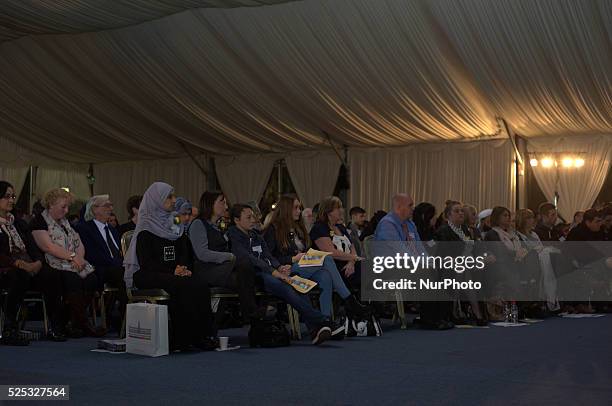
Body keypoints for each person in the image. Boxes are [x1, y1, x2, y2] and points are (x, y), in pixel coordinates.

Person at [123, 182, 217, 351]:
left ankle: (204, 335)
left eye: (174, 196)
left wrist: (184, 268)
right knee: (181, 285)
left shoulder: (174, 222)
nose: (174, 200)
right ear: (156, 200)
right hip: (148, 273)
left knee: (200, 284)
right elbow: (146, 262)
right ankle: (184, 339)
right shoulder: (145, 226)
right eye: (169, 197)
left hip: (174, 272)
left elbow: (184, 252)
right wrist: (173, 271)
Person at [228, 204, 331, 345]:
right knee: (287, 287)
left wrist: (279, 267)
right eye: (248, 217)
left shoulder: (255, 235)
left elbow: (268, 255)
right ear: (236, 220)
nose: (253, 219)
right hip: (255, 275)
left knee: (299, 285)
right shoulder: (233, 235)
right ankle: (321, 320)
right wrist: (274, 272)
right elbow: (248, 259)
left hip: (271, 271)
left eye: (253, 216)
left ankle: (316, 330)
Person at [263, 195, 365, 323]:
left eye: (299, 208)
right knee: (327, 258)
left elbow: (306, 249)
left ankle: (325, 320)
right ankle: (349, 299)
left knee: (325, 276)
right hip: (288, 268)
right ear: (286, 209)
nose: (299, 211)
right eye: (296, 208)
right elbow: (269, 257)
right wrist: (292, 259)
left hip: (304, 264)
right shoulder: (273, 229)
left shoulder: (298, 228)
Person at [31, 188, 103, 337]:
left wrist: (79, 259)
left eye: (68, 207)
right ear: (51, 205)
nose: (66, 210)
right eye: (63, 207)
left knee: (92, 279)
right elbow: (48, 247)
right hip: (52, 264)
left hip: (72, 262)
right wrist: (73, 257)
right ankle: (82, 323)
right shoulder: (39, 221)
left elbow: (79, 243)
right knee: (73, 279)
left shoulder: (65, 222)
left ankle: (74, 321)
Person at [0, 181, 66, 344]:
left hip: (27, 266)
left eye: (13, 196)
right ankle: (10, 329)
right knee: (19, 276)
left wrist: (37, 261)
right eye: (7, 196)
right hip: (6, 268)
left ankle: (55, 326)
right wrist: (17, 264)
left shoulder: (18, 222)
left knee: (51, 274)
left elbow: (32, 246)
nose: (11, 200)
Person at [188, 191, 261, 324]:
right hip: (207, 270)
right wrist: (229, 257)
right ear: (210, 204)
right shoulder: (198, 224)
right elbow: (202, 254)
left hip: (223, 269)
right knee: (246, 271)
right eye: (222, 202)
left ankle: (252, 316)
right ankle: (253, 316)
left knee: (248, 270)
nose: (226, 206)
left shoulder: (218, 226)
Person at [75, 195, 128, 330]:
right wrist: (119, 264)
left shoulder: (112, 230)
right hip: (99, 268)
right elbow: (93, 255)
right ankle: (125, 319)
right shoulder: (84, 228)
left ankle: (128, 317)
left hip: (115, 268)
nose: (111, 208)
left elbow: (118, 252)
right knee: (123, 274)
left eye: (111, 205)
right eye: (107, 205)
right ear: (94, 209)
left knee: (133, 273)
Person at [434, 201, 487, 325]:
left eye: (462, 211)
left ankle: (458, 311)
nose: (461, 213)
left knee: (467, 270)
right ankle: (475, 312)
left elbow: (472, 250)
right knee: (462, 271)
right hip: (447, 266)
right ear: (448, 215)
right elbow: (442, 254)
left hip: (466, 264)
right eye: (456, 211)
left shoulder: (465, 230)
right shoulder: (443, 231)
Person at [310, 196, 362, 289]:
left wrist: (352, 261)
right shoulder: (319, 228)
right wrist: (354, 258)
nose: (342, 210)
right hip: (333, 267)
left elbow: (352, 246)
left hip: (350, 263)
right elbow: (331, 252)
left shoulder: (340, 227)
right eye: (338, 208)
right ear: (328, 211)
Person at [514, 209, 560, 313]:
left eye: (532, 218)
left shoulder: (534, 234)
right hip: (527, 261)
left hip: (540, 259)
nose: (532, 220)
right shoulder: (518, 236)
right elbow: (522, 251)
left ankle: (550, 300)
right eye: (528, 218)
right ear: (522, 220)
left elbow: (541, 247)